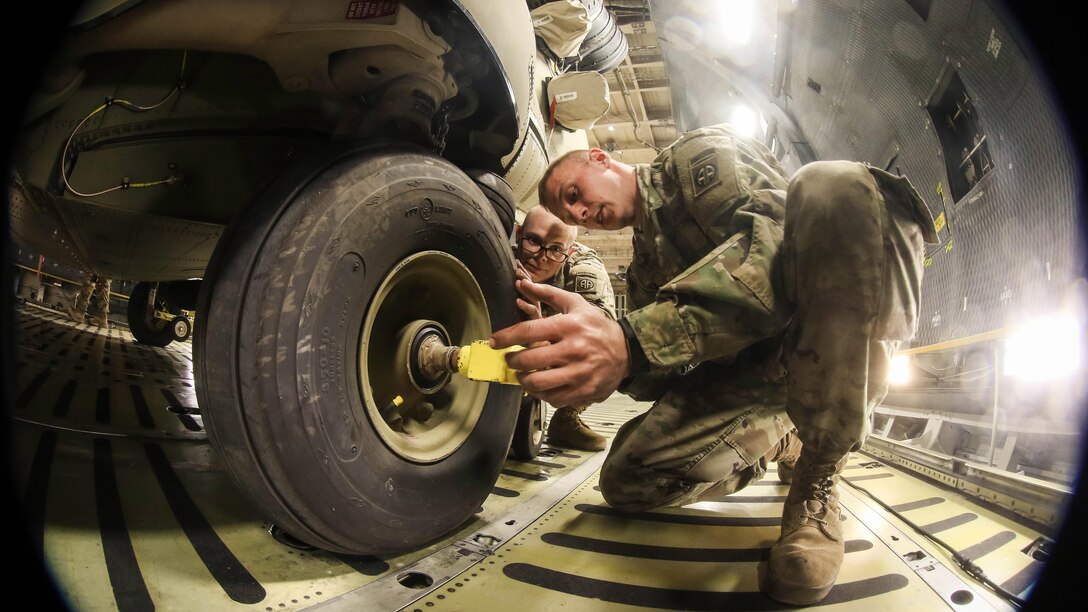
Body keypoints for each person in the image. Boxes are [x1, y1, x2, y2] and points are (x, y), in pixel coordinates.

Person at [490, 124, 937, 605]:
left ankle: (818, 474)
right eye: (569, 212)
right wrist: (590, 365)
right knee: (626, 481)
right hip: (753, 376)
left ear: (599, 159)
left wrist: (629, 341)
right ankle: (783, 439)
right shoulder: (643, 269)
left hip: (818, 344)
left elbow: (773, 262)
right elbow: (665, 375)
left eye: (574, 194)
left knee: (832, 185)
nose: (580, 212)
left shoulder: (698, 159)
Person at [514, 205, 617, 451]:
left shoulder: (584, 268)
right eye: (533, 241)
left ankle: (566, 419)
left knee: (614, 357)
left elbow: (601, 344)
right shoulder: (499, 252)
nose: (540, 256)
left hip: (559, 339)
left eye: (556, 249)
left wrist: (540, 330)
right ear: (518, 234)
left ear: (569, 252)